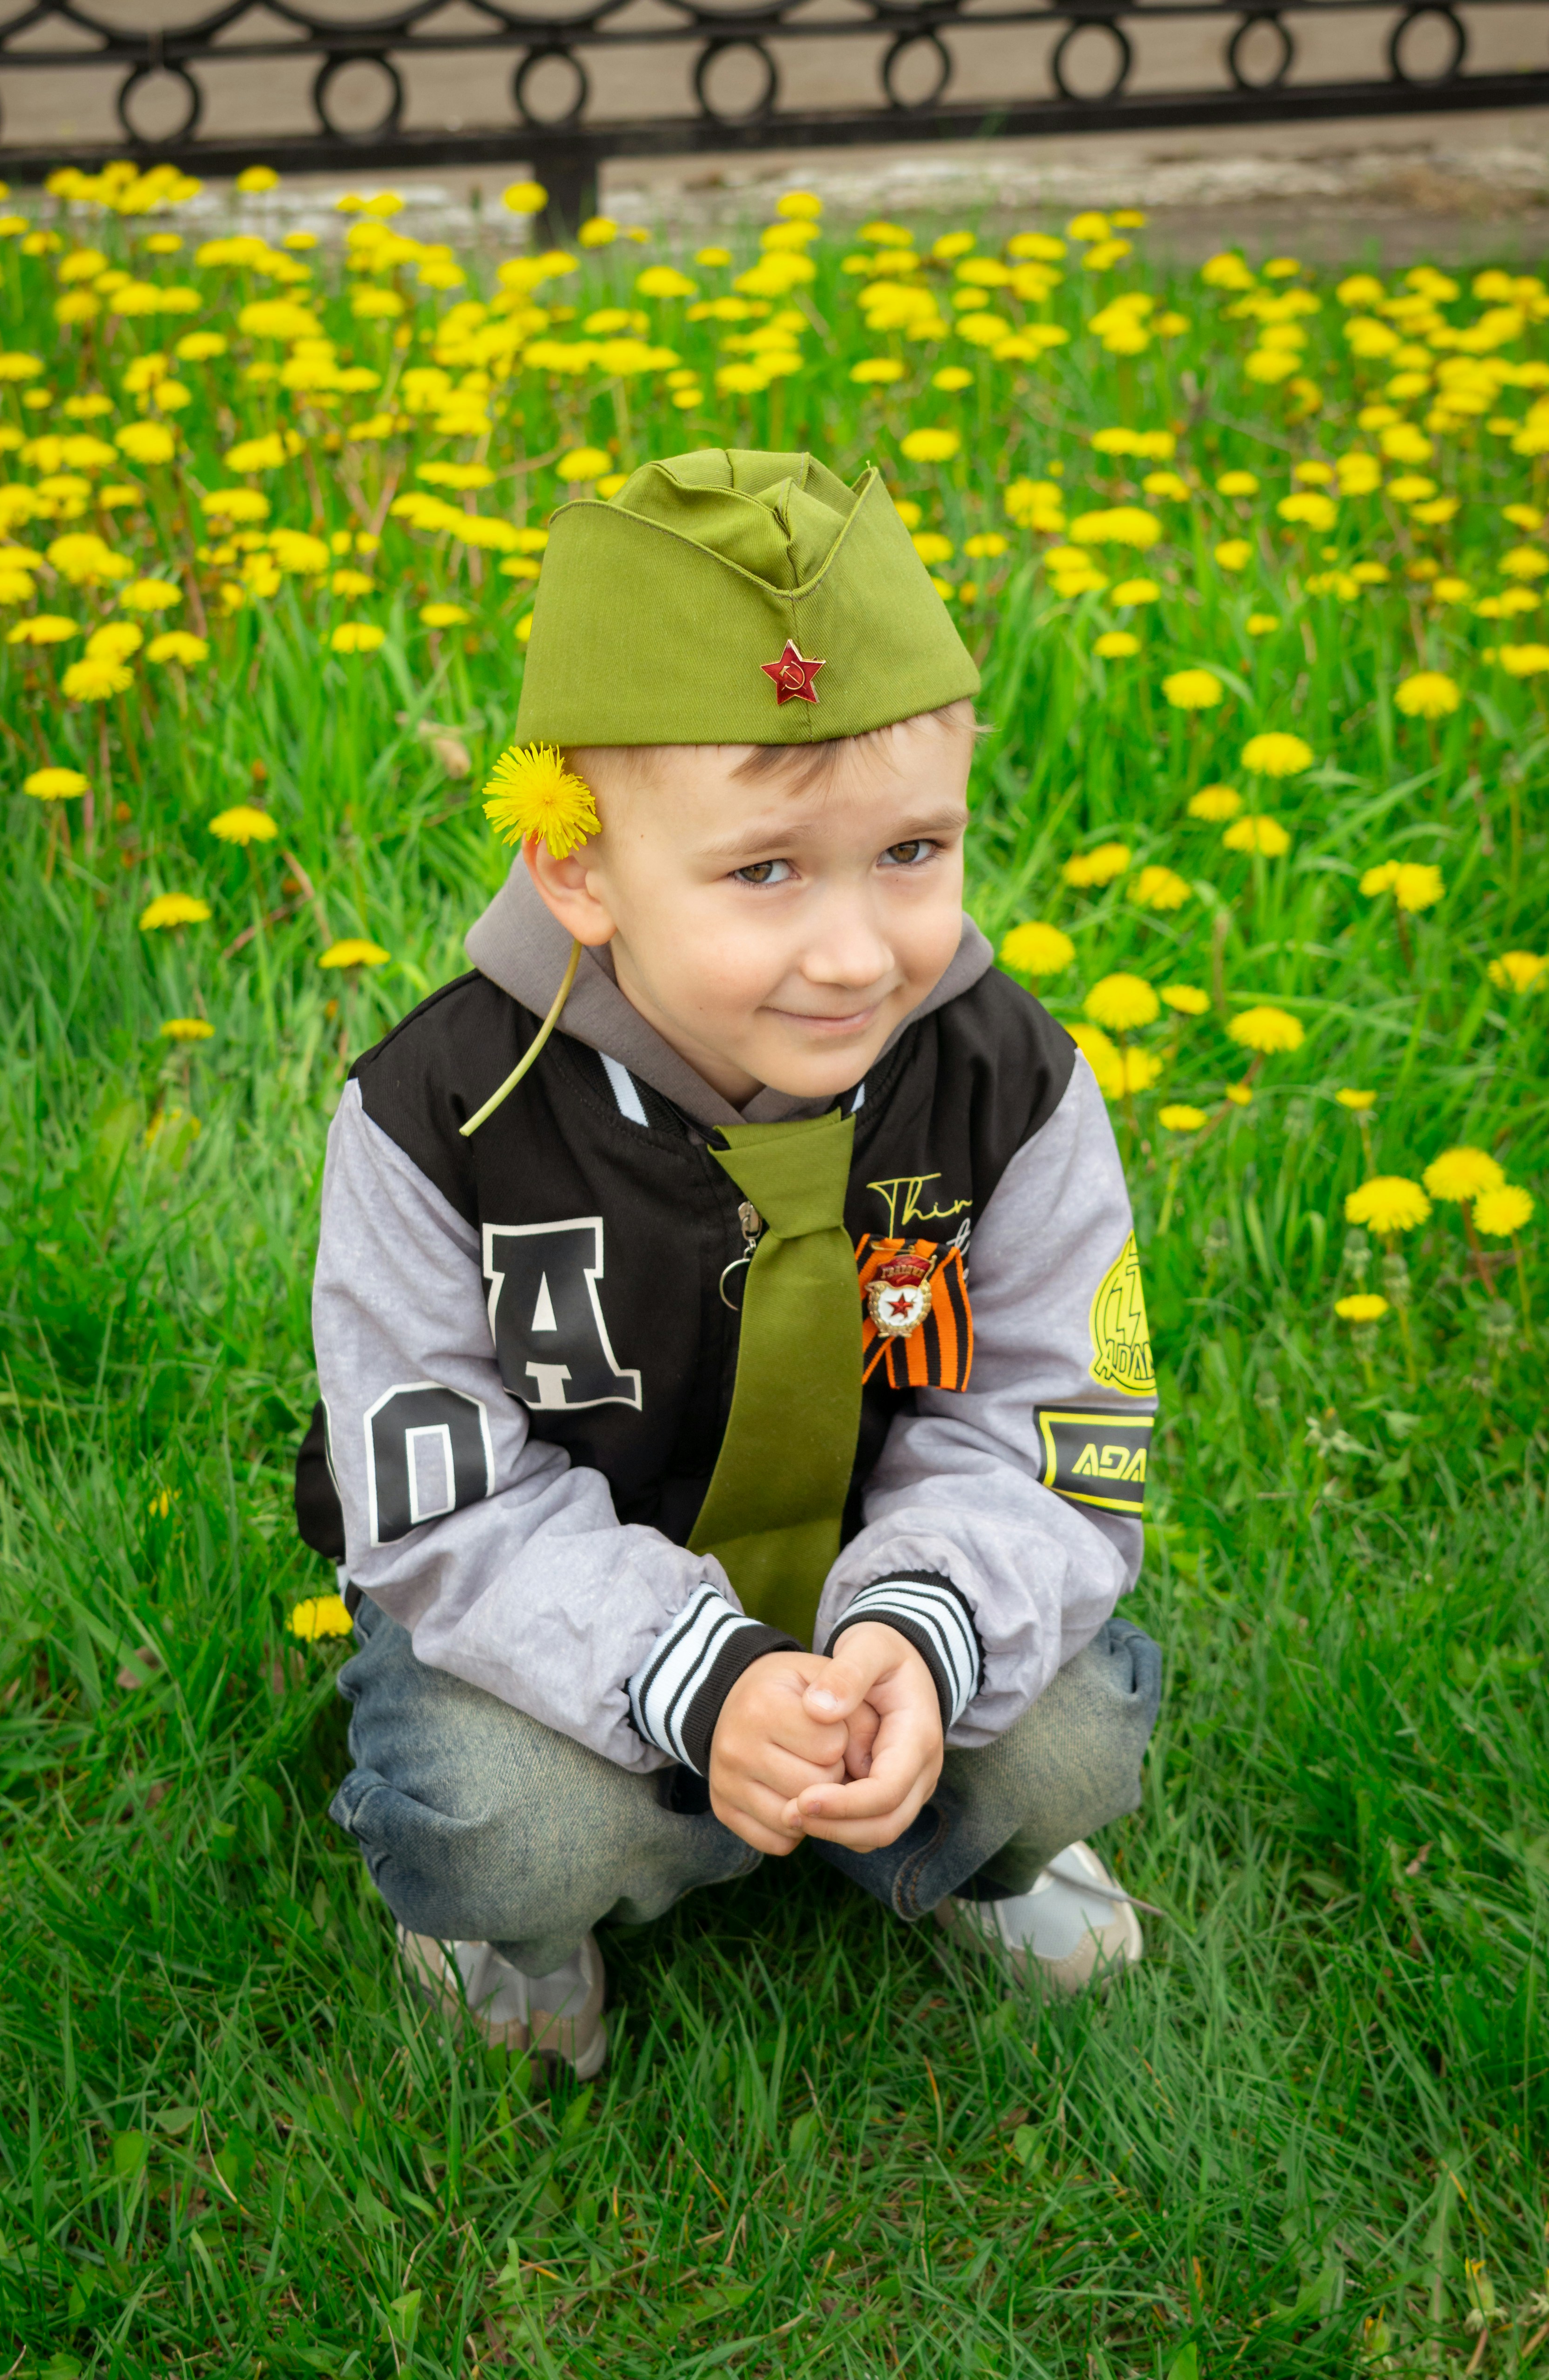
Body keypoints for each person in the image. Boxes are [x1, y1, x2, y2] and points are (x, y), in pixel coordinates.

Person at [298, 447, 1161, 2079]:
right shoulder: (437, 1118)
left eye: (911, 852)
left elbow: (1058, 1429)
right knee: (502, 1818)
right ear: (579, 867)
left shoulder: (1014, 1082)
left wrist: (920, 1635)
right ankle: (525, 1910)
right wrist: (700, 1679)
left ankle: (951, 1837)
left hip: (881, 1612)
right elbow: (444, 1503)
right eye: (766, 869)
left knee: (1077, 1736)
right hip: (565, 1638)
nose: (855, 951)